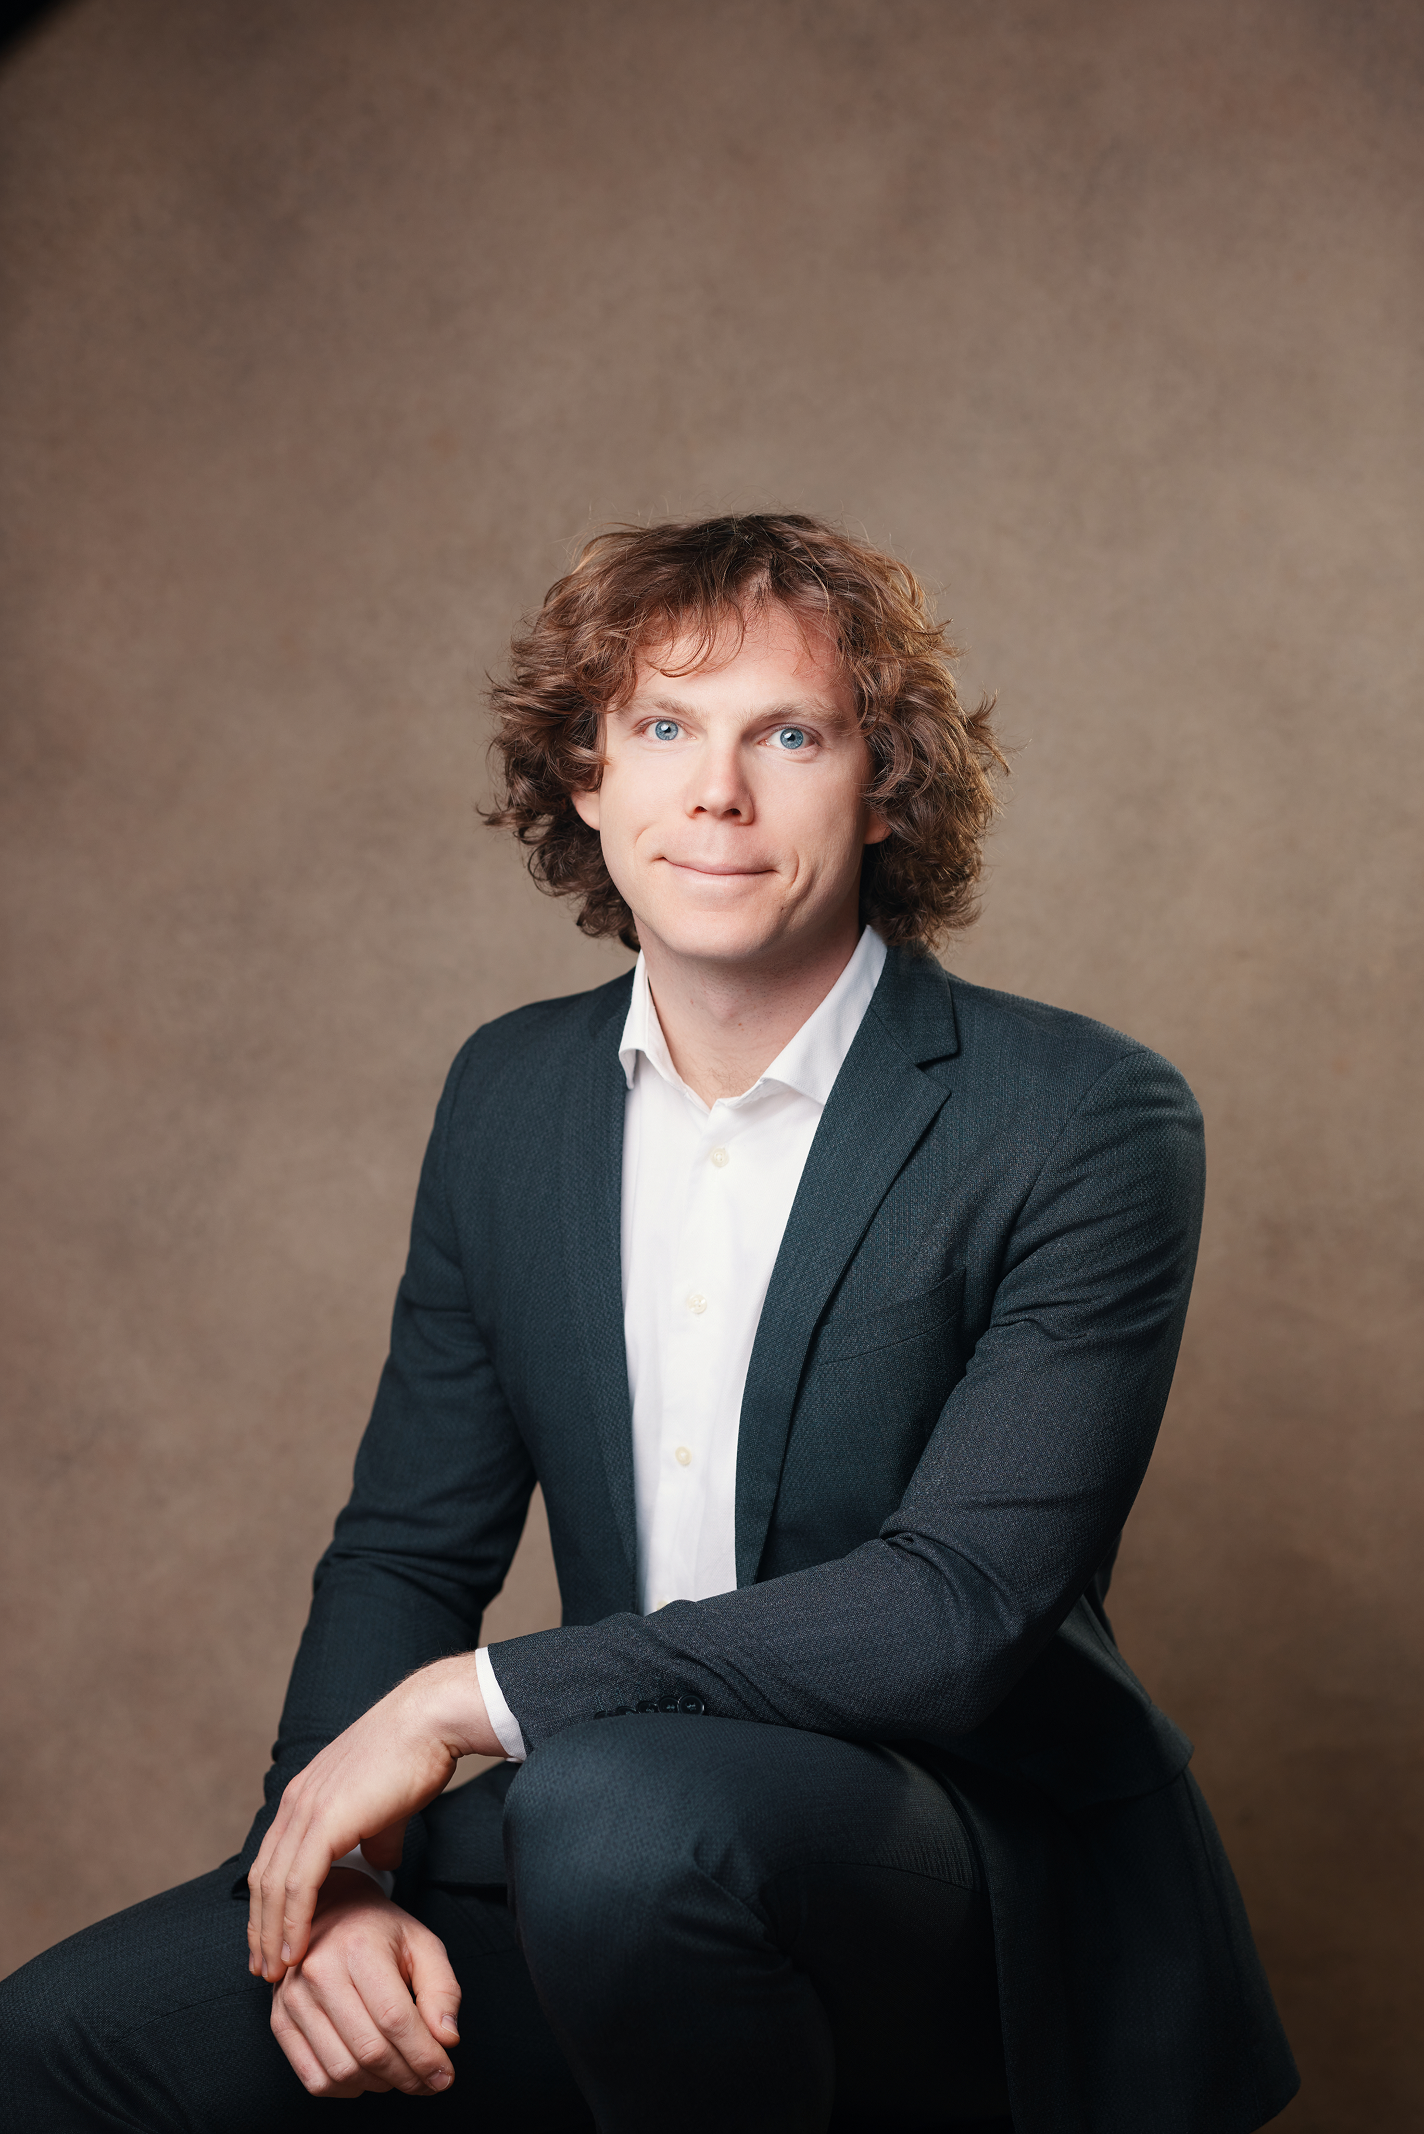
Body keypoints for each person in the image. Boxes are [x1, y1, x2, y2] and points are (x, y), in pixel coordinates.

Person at [0, 514, 1298, 2132]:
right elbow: (408, 1543)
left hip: (964, 1874)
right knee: (64, 2041)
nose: (718, 793)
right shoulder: (508, 1093)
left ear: (884, 785)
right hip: (616, 1864)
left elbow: (955, 1608)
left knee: (616, 1806)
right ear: (586, 776)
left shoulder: (1080, 1114)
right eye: (666, 728)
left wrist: (464, 1705)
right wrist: (338, 1868)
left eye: (790, 735)